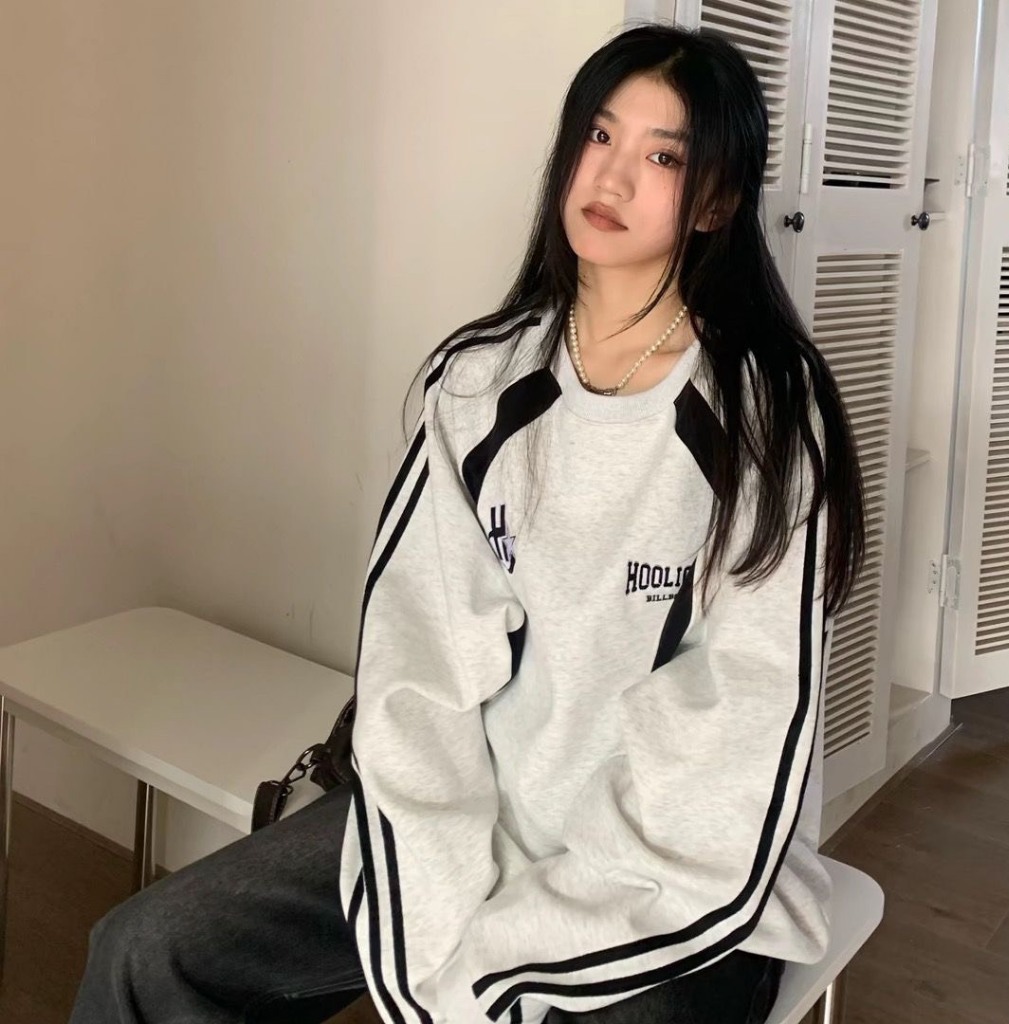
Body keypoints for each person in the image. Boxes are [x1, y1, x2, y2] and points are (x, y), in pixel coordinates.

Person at [70, 21, 866, 1024]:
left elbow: (733, 733)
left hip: (672, 880)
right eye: (599, 135)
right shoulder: (480, 380)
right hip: (470, 815)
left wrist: (501, 964)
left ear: (715, 201)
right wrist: (441, 912)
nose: (613, 176)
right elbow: (422, 664)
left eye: (663, 157)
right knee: (144, 954)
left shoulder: (765, 417)